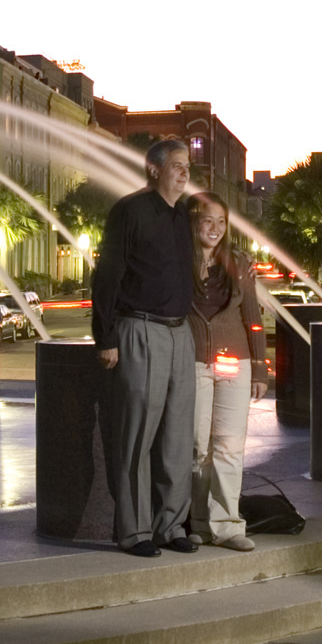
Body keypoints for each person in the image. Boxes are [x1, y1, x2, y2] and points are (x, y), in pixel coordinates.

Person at [91, 138, 198, 558]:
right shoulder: (130, 211)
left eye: (187, 164)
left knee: (176, 436)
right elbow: (108, 275)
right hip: (141, 329)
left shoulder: (182, 217)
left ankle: (171, 524)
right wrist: (106, 337)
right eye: (176, 164)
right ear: (153, 169)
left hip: (179, 333)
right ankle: (134, 531)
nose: (184, 171)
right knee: (136, 435)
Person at [186, 192, 268, 552]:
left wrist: (261, 369)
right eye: (208, 220)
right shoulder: (177, 263)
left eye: (221, 221)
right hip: (192, 364)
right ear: (194, 222)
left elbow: (253, 319)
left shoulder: (238, 263)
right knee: (196, 447)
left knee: (229, 446)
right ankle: (198, 524)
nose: (215, 228)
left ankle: (228, 525)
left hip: (235, 364)